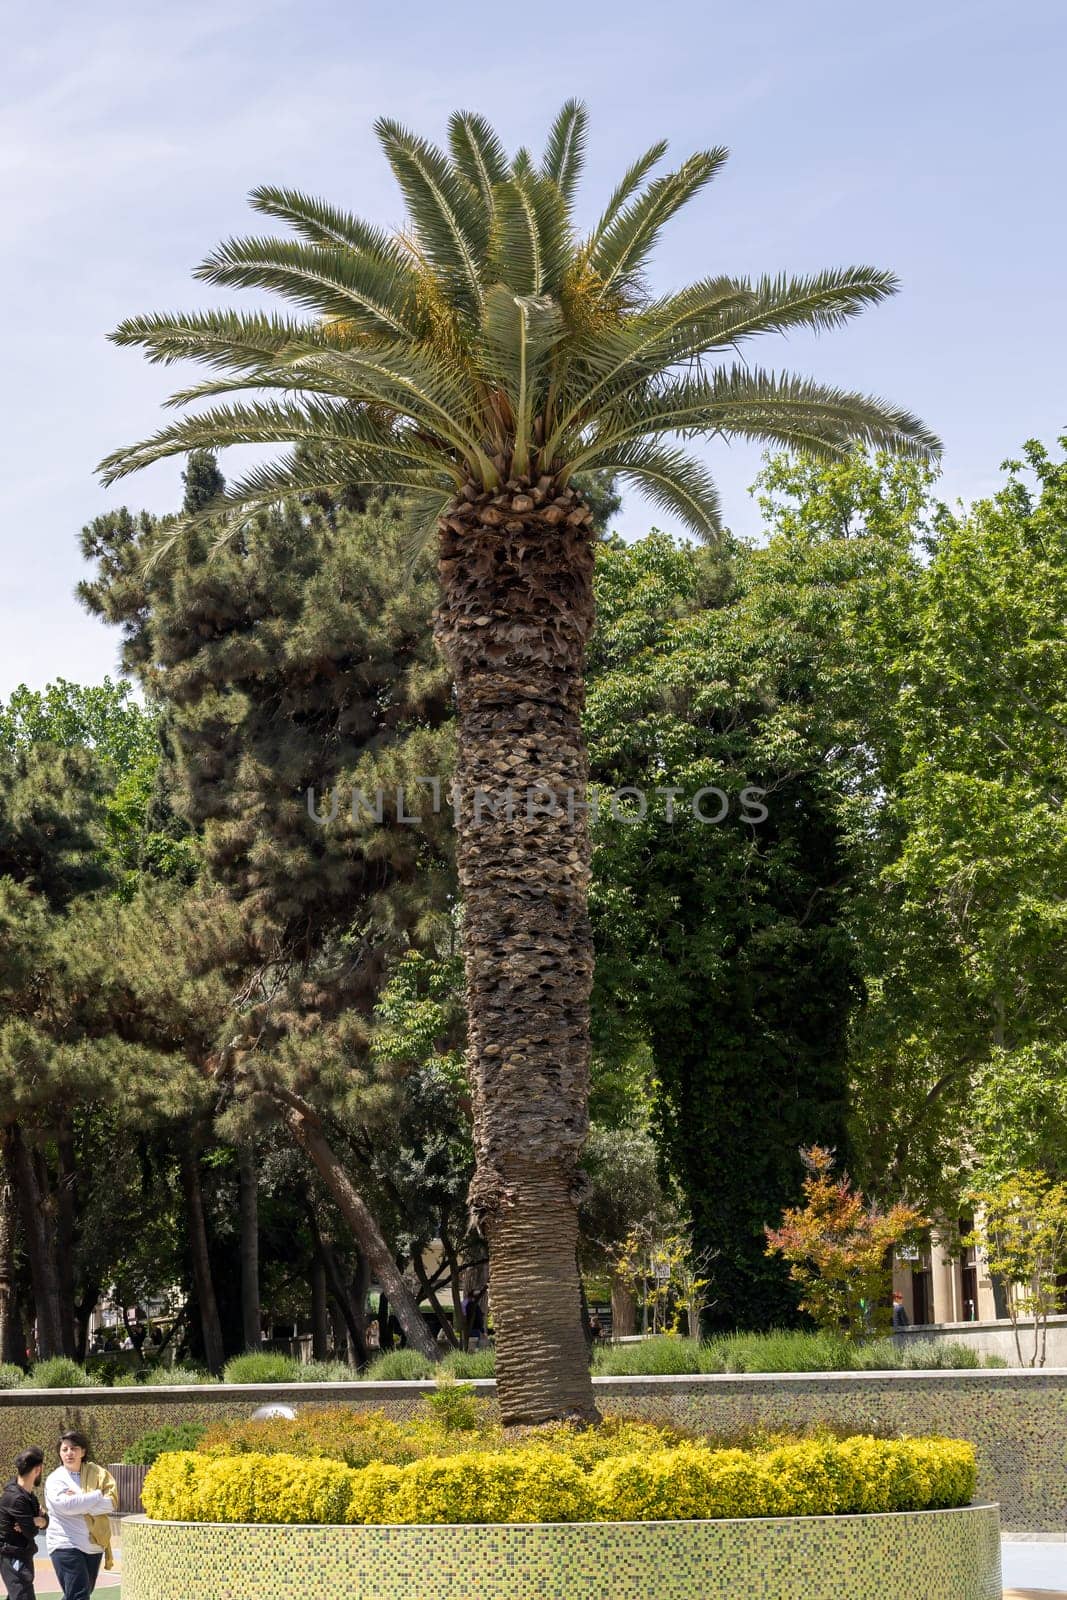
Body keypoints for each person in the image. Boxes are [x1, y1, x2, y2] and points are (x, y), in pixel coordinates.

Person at [44, 1432, 117, 1600]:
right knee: (79, 1595)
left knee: (79, 1593)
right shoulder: (56, 1479)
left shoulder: (98, 1474)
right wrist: (96, 1495)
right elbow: (65, 1506)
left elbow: (111, 1504)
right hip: (65, 1544)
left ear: (83, 1452)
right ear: (60, 1453)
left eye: (74, 1448)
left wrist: (79, 1499)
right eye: (65, 1449)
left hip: (94, 1544)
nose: (69, 1453)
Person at [0, 1447, 48, 1600]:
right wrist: (36, 1522)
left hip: (22, 1556)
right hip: (12, 1556)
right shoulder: (16, 1498)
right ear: (38, 1469)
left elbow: (45, 1521)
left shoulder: (28, 1496)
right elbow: (31, 1532)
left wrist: (37, 1520)